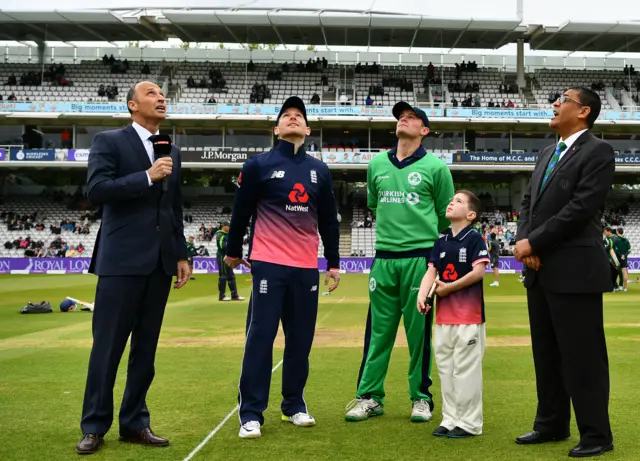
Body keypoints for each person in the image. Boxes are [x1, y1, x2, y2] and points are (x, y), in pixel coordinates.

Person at [77, 81, 190, 455]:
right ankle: (94, 426)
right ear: (132, 105)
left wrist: (181, 254)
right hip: (121, 261)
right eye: (152, 93)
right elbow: (96, 190)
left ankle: (135, 423)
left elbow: (173, 207)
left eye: (162, 95)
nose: (161, 98)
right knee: (107, 348)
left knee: (146, 351)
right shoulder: (109, 141)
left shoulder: (170, 148)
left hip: (159, 263)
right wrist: (146, 176)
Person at [224, 96, 341, 439]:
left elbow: (329, 224)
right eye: (286, 116)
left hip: (305, 268)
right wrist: (233, 252)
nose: (293, 119)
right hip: (269, 264)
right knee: (260, 338)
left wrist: (333, 263)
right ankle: (250, 414)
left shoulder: (319, 170)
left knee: (300, 340)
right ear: (276, 128)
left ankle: (294, 406)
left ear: (307, 129)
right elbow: (240, 212)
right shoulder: (257, 166)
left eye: (299, 116)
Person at [513, 87, 615, 458]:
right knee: (547, 353)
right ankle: (551, 424)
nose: (555, 105)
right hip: (540, 269)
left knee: (582, 356)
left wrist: (534, 243)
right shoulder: (546, 153)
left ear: (584, 111)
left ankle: (596, 435)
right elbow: (528, 203)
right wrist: (526, 242)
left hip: (575, 269)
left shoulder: (599, 151)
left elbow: (582, 207)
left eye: (564, 100)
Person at [345, 101, 454, 423]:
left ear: (424, 130)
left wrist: (429, 254)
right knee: (378, 333)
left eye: (412, 118)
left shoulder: (436, 167)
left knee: (418, 332)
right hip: (384, 259)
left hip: (420, 259)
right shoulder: (377, 163)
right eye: (400, 117)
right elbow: (376, 206)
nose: (403, 120)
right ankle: (369, 397)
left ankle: (421, 398)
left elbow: (443, 216)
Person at [417, 190, 489, 438]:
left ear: (471, 214)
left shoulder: (474, 239)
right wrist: (423, 295)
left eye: (458, 201)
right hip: (443, 318)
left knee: (465, 371)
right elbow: (431, 272)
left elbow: (479, 272)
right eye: (451, 200)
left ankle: (470, 423)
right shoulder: (441, 240)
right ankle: (450, 419)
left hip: (468, 316)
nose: (451, 203)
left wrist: (449, 288)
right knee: (446, 370)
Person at [216, 220, 244, 301]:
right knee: (223, 275)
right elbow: (223, 246)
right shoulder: (220, 234)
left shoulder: (228, 235)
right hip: (222, 256)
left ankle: (234, 295)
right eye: (228, 226)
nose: (229, 227)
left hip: (229, 256)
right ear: (224, 226)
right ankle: (221, 296)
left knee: (231, 276)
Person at [603, 227, 620, 291]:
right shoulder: (607, 238)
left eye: (605, 232)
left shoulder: (613, 238)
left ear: (609, 231)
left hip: (613, 257)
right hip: (610, 257)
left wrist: (602, 250)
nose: (604, 233)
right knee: (610, 272)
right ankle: (615, 286)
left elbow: (610, 246)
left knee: (612, 272)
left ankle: (614, 286)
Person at [614, 227, 631, 291]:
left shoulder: (615, 239)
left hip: (617, 258)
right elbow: (629, 249)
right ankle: (625, 288)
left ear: (617, 232)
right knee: (624, 272)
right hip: (624, 258)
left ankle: (615, 287)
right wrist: (624, 255)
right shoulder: (626, 240)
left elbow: (615, 249)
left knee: (615, 272)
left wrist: (620, 255)